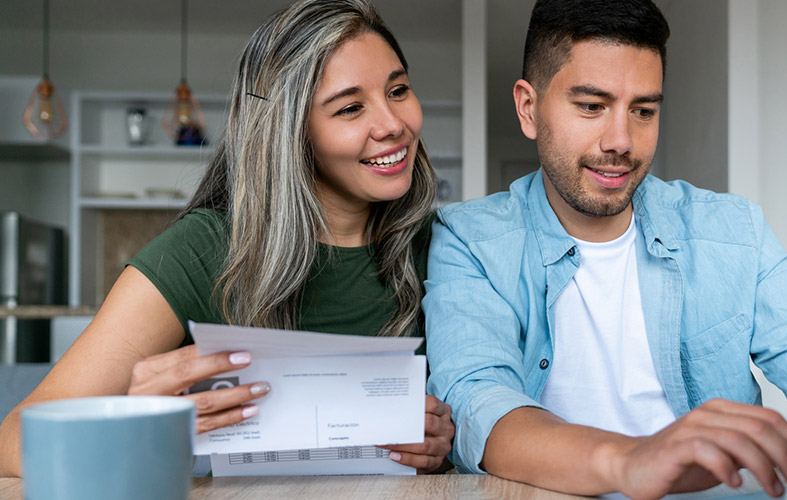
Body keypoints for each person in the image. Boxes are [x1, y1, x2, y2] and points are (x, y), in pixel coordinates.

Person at [0, 0, 453, 477]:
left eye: (398, 90)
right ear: (288, 132)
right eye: (350, 108)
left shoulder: (450, 249)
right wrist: (134, 424)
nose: (393, 124)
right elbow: (12, 444)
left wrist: (449, 442)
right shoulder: (199, 253)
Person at [423, 0, 787, 498]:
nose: (622, 141)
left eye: (643, 111)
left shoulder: (733, 230)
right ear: (529, 108)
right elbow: (477, 402)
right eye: (592, 106)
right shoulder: (470, 240)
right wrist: (631, 459)